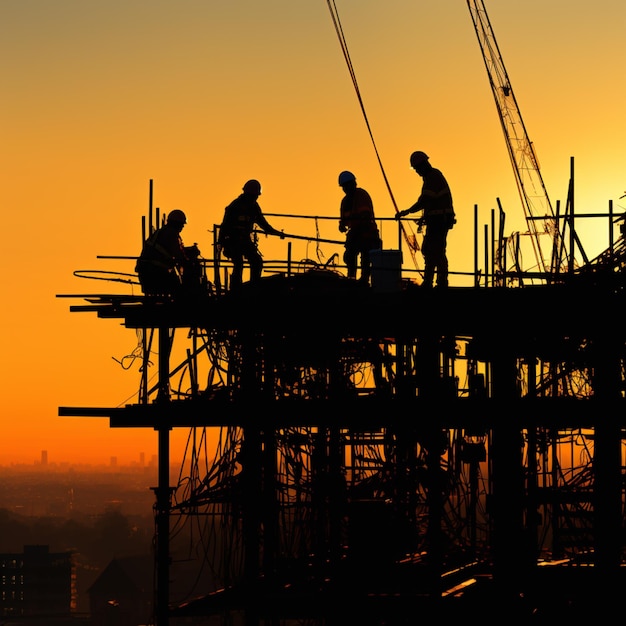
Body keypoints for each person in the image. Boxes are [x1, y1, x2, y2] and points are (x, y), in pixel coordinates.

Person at [396, 151, 456, 288]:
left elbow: (425, 200)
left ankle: (438, 281)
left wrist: (407, 211)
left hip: (440, 220)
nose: (417, 172)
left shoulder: (433, 176)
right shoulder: (431, 177)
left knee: (436, 250)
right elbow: (430, 202)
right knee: (431, 249)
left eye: (417, 169)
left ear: (422, 165)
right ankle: (432, 280)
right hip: (437, 219)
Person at [217, 179, 282, 289]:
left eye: (256, 196)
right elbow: (225, 225)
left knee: (257, 262)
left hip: (245, 240)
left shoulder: (254, 206)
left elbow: (262, 223)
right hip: (233, 240)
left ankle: (254, 286)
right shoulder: (235, 206)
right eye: (253, 196)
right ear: (247, 193)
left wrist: (275, 232)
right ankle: (236, 289)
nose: (255, 198)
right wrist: (221, 243)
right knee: (238, 263)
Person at [135, 209, 198, 296]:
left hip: (146, 272)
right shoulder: (171, 234)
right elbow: (179, 255)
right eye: (182, 225)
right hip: (156, 273)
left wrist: (187, 251)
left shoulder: (160, 232)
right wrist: (190, 258)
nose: (182, 228)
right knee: (180, 291)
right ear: (177, 224)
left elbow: (170, 250)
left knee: (174, 288)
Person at [337, 170, 382, 284]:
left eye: (349, 185)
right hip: (355, 234)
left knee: (366, 257)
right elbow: (344, 221)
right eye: (345, 186)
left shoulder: (361, 195)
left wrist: (355, 231)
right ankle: (351, 278)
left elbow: (365, 216)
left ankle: (364, 280)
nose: (347, 188)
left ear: (354, 183)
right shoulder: (345, 201)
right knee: (350, 256)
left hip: (368, 233)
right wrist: (342, 226)